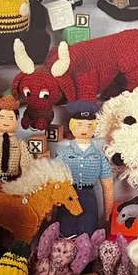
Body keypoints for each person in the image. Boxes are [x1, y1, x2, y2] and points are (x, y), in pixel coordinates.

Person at [55, 100, 113, 237]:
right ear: (72, 126)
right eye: (79, 125)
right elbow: (52, 179)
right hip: (68, 195)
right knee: (66, 227)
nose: (84, 129)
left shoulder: (98, 156)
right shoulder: (65, 154)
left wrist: (108, 212)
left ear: (94, 128)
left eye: (89, 125)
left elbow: (108, 185)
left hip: (88, 198)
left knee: (88, 227)